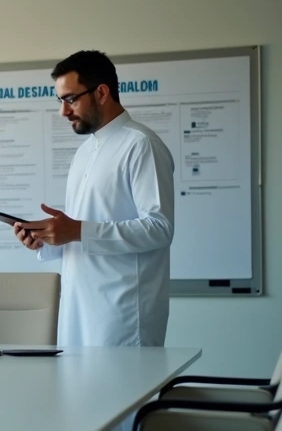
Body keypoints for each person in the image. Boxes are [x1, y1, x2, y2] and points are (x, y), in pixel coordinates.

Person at [14, 50, 175, 349]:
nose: (63, 111)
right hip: (77, 308)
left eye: (70, 99)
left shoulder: (142, 145)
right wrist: (47, 238)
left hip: (123, 315)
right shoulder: (84, 152)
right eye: (60, 100)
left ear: (101, 93)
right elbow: (85, 229)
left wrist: (76, 230)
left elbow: (159, 228)